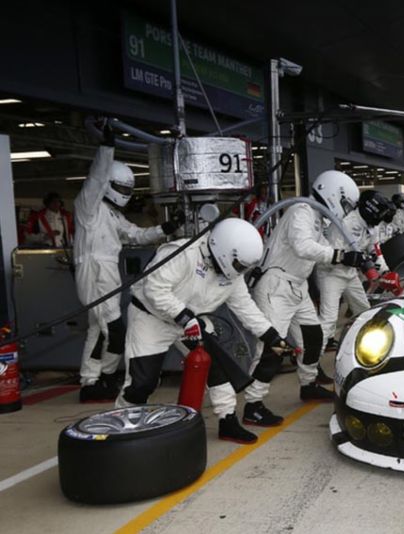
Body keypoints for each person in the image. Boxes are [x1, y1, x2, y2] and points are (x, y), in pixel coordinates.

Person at [116, 218, 288, 443]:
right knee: (142, 383)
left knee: (217, 366)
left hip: (189, 321)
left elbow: (244, 306)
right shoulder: (183, 254)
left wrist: (271, 335)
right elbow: (154, 288)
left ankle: (228, 421)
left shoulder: (232, 273)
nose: (241, 272)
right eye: (239, 266)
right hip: (151, 318)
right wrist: (184, 316)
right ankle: (120, 429)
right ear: (225, 251)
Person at [243, 170, 360, 421]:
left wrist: (353, 256)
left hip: (297, 286)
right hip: (276, 285)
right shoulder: (301, 211)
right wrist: (339, 256)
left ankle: (308, 385)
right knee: (272, 349)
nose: (344, 210)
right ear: (333, 193)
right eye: (344, 204)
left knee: (314, 338)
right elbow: (302, 246)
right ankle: (252, 405)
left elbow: (321, 248)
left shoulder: (315, 216)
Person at [73, 145, 183, 402]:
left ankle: (92, 380)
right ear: (108, 185)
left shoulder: (113, 214)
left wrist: (166, 227)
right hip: (95, 271)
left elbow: (137, 234)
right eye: (121, 188)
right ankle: (100, 379)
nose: (124, 194)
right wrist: (106, 147)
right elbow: (96, 177)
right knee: (114, 331)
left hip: (107, 271)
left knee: (98, 329)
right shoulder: (89, 206)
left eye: (127, 190)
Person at [315, 190, 395, 353]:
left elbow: (373, 249)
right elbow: (337, 254)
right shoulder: (346, 223)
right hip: (331, 274)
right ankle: (312, 367)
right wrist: (365, 265)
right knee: (329, 319)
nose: (380, 219)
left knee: (365, 312)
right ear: (371, 209)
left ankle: (366, 349)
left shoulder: (370, 225)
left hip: (350, 274)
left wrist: (385, 271)